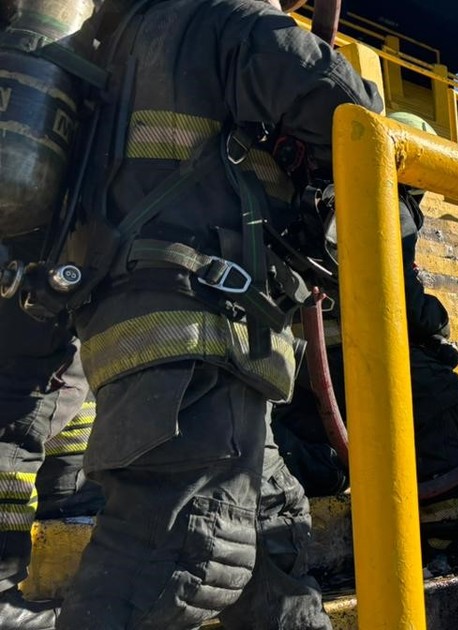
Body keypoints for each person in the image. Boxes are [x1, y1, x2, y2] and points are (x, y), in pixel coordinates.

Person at [56, 0, 382, 627]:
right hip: (201, 330)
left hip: (143, 331)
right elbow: (350, 111)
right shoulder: (230, 19)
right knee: (192, 555)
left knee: (274, 541)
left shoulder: (118, 34)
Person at [273, 111, 458, 562]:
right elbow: (400, 291)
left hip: (301, 360)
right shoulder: (385, 198)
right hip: (355, 351)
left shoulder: (329, 193)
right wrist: (437, 321)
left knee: (322, 448)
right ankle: (450, 532)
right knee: (441, 396)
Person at [0, 233, 99, 629]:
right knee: (16, 426)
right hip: (30, 258)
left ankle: (64, 535)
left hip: (53, 253)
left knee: (73, 400)